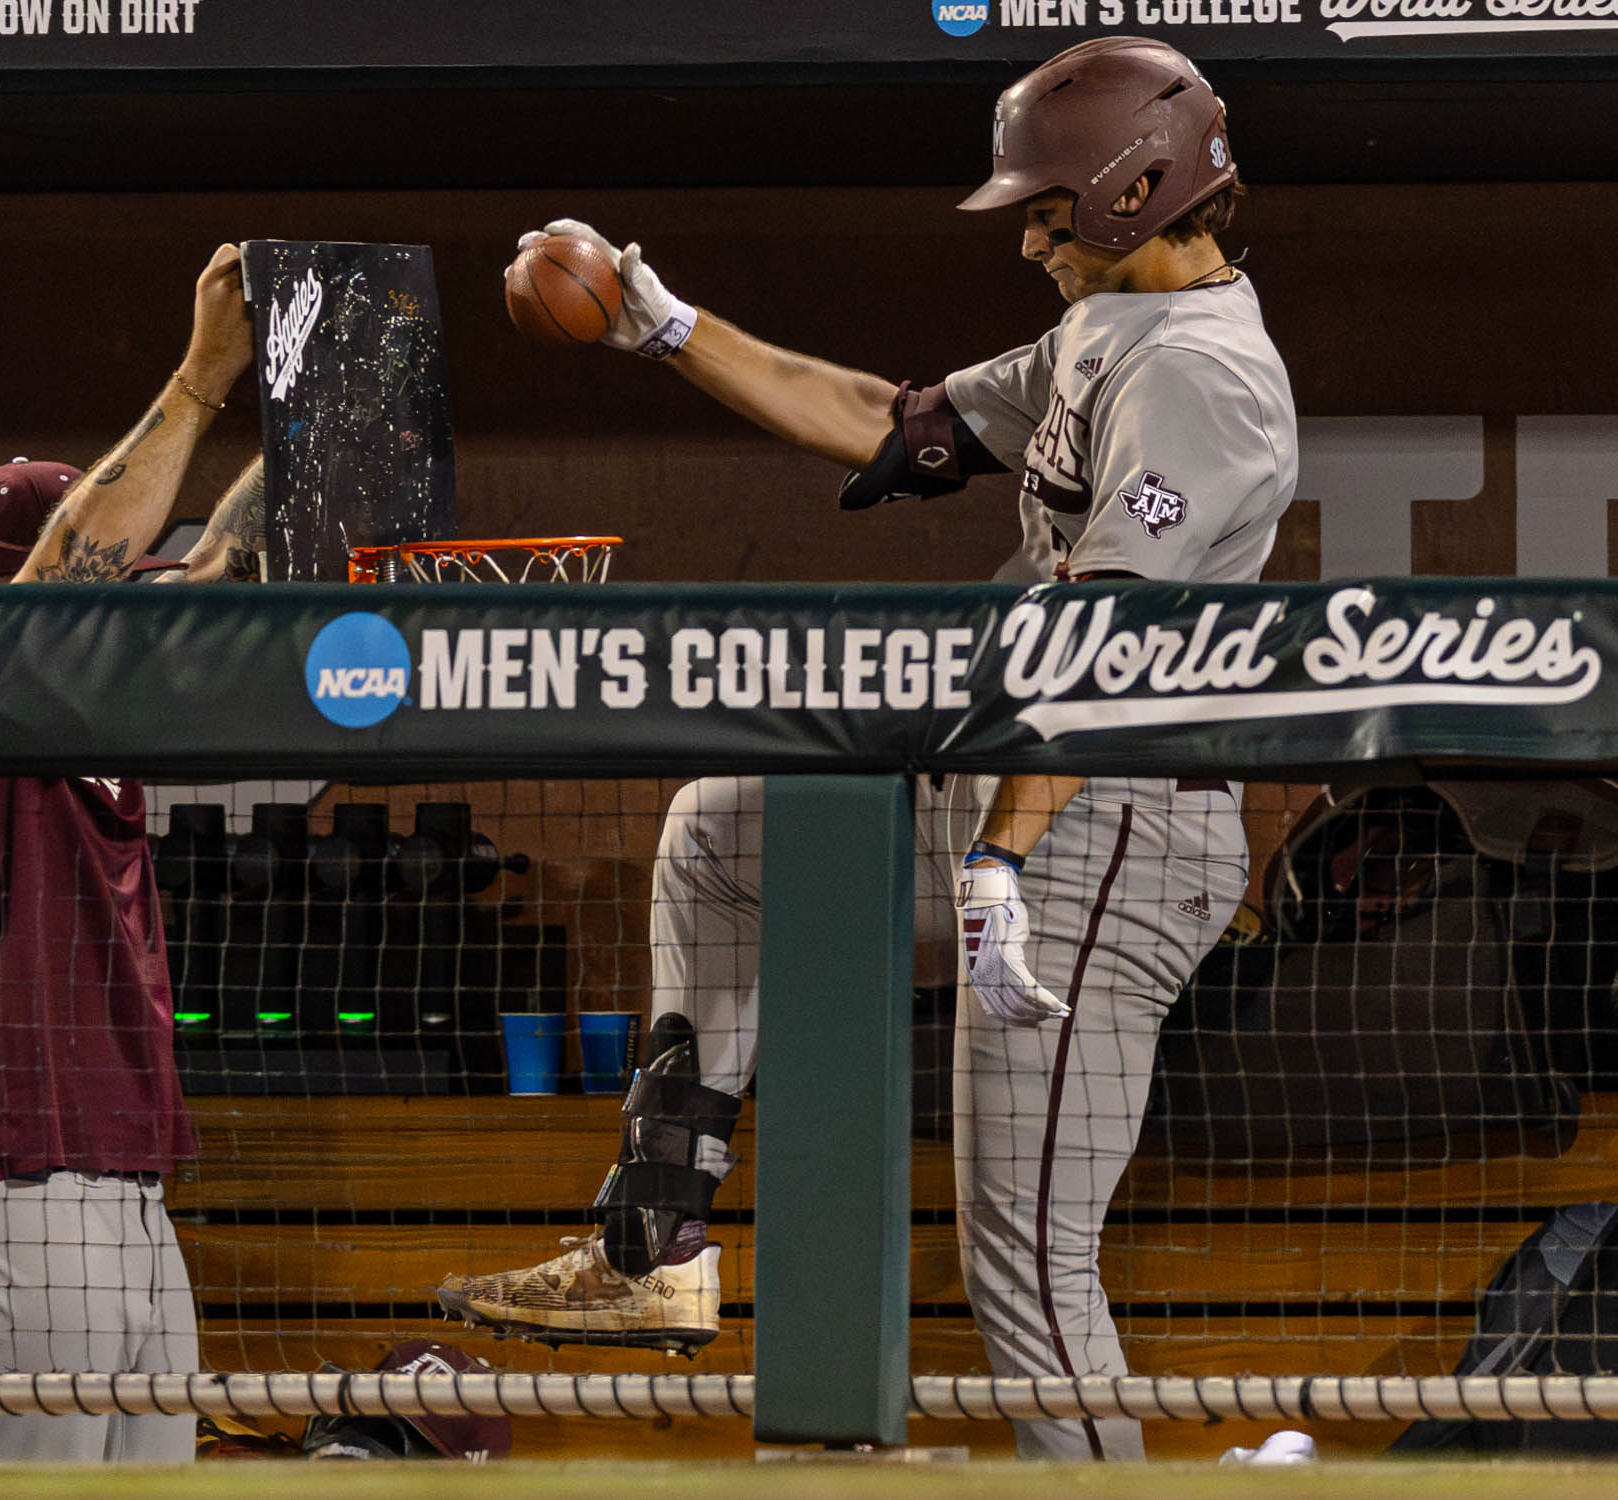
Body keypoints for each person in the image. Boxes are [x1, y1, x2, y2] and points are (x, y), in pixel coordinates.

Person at [436, 37, 1299, 1463]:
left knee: (1026, 1255)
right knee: (725, 832)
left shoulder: (1208, 378)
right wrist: (664, 325)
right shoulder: (1111, 322)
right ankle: (650, 1244)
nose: (1029, 232)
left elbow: (1100, 654)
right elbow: (895, 422)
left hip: (1112, 830)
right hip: (1017, 805)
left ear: (1141, 189)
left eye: (1050, 204)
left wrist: (1003, 860)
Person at [0, 242, 264, 1462]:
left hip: (125, 1185)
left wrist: (323, 406)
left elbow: (219, 565)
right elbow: (65, 589)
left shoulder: (107, 694)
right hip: (2, 1170)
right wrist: (203, 376)